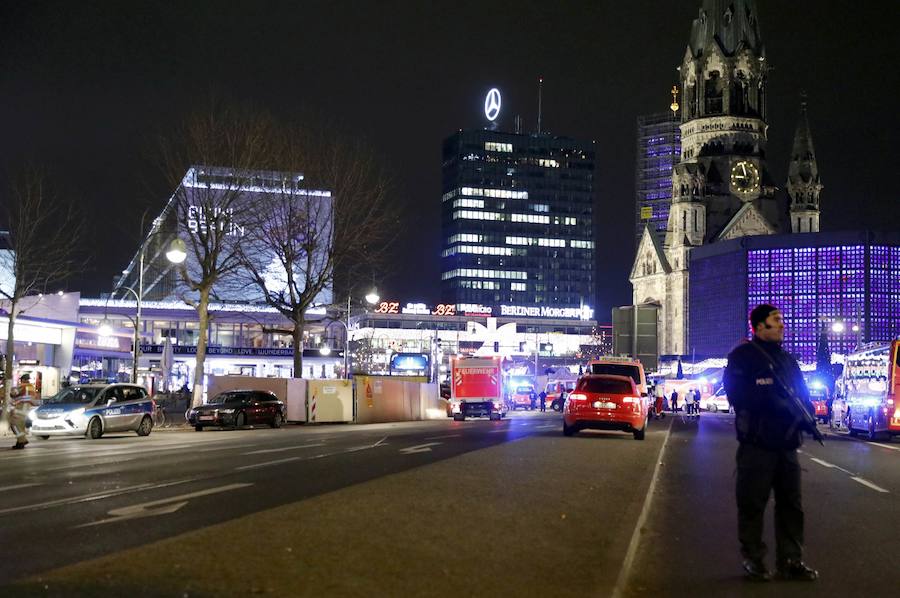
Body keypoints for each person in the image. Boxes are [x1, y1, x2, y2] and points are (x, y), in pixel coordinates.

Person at [724, 304, 818, 582]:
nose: (782, 325)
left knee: (792, 505)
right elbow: (737, 396)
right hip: (757, 444)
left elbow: (801, 393)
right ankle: (753, 559)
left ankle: (791, 560)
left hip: (787, 445)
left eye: (781, 320)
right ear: (759, 326)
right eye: (776, 321)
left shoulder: (788, 361)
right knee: (752, 503)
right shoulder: (742, 358)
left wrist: (806, 415)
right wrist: (774, 404)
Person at [9, 373, 40, 450]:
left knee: (14, 424)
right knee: (20, 426)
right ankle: (20, 443)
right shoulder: (31, 387)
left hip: (20, 408)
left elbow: (13, 394)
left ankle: (22, 440)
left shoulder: (22, 386)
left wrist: (11, 390)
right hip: (27, 409)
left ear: (22, 379)